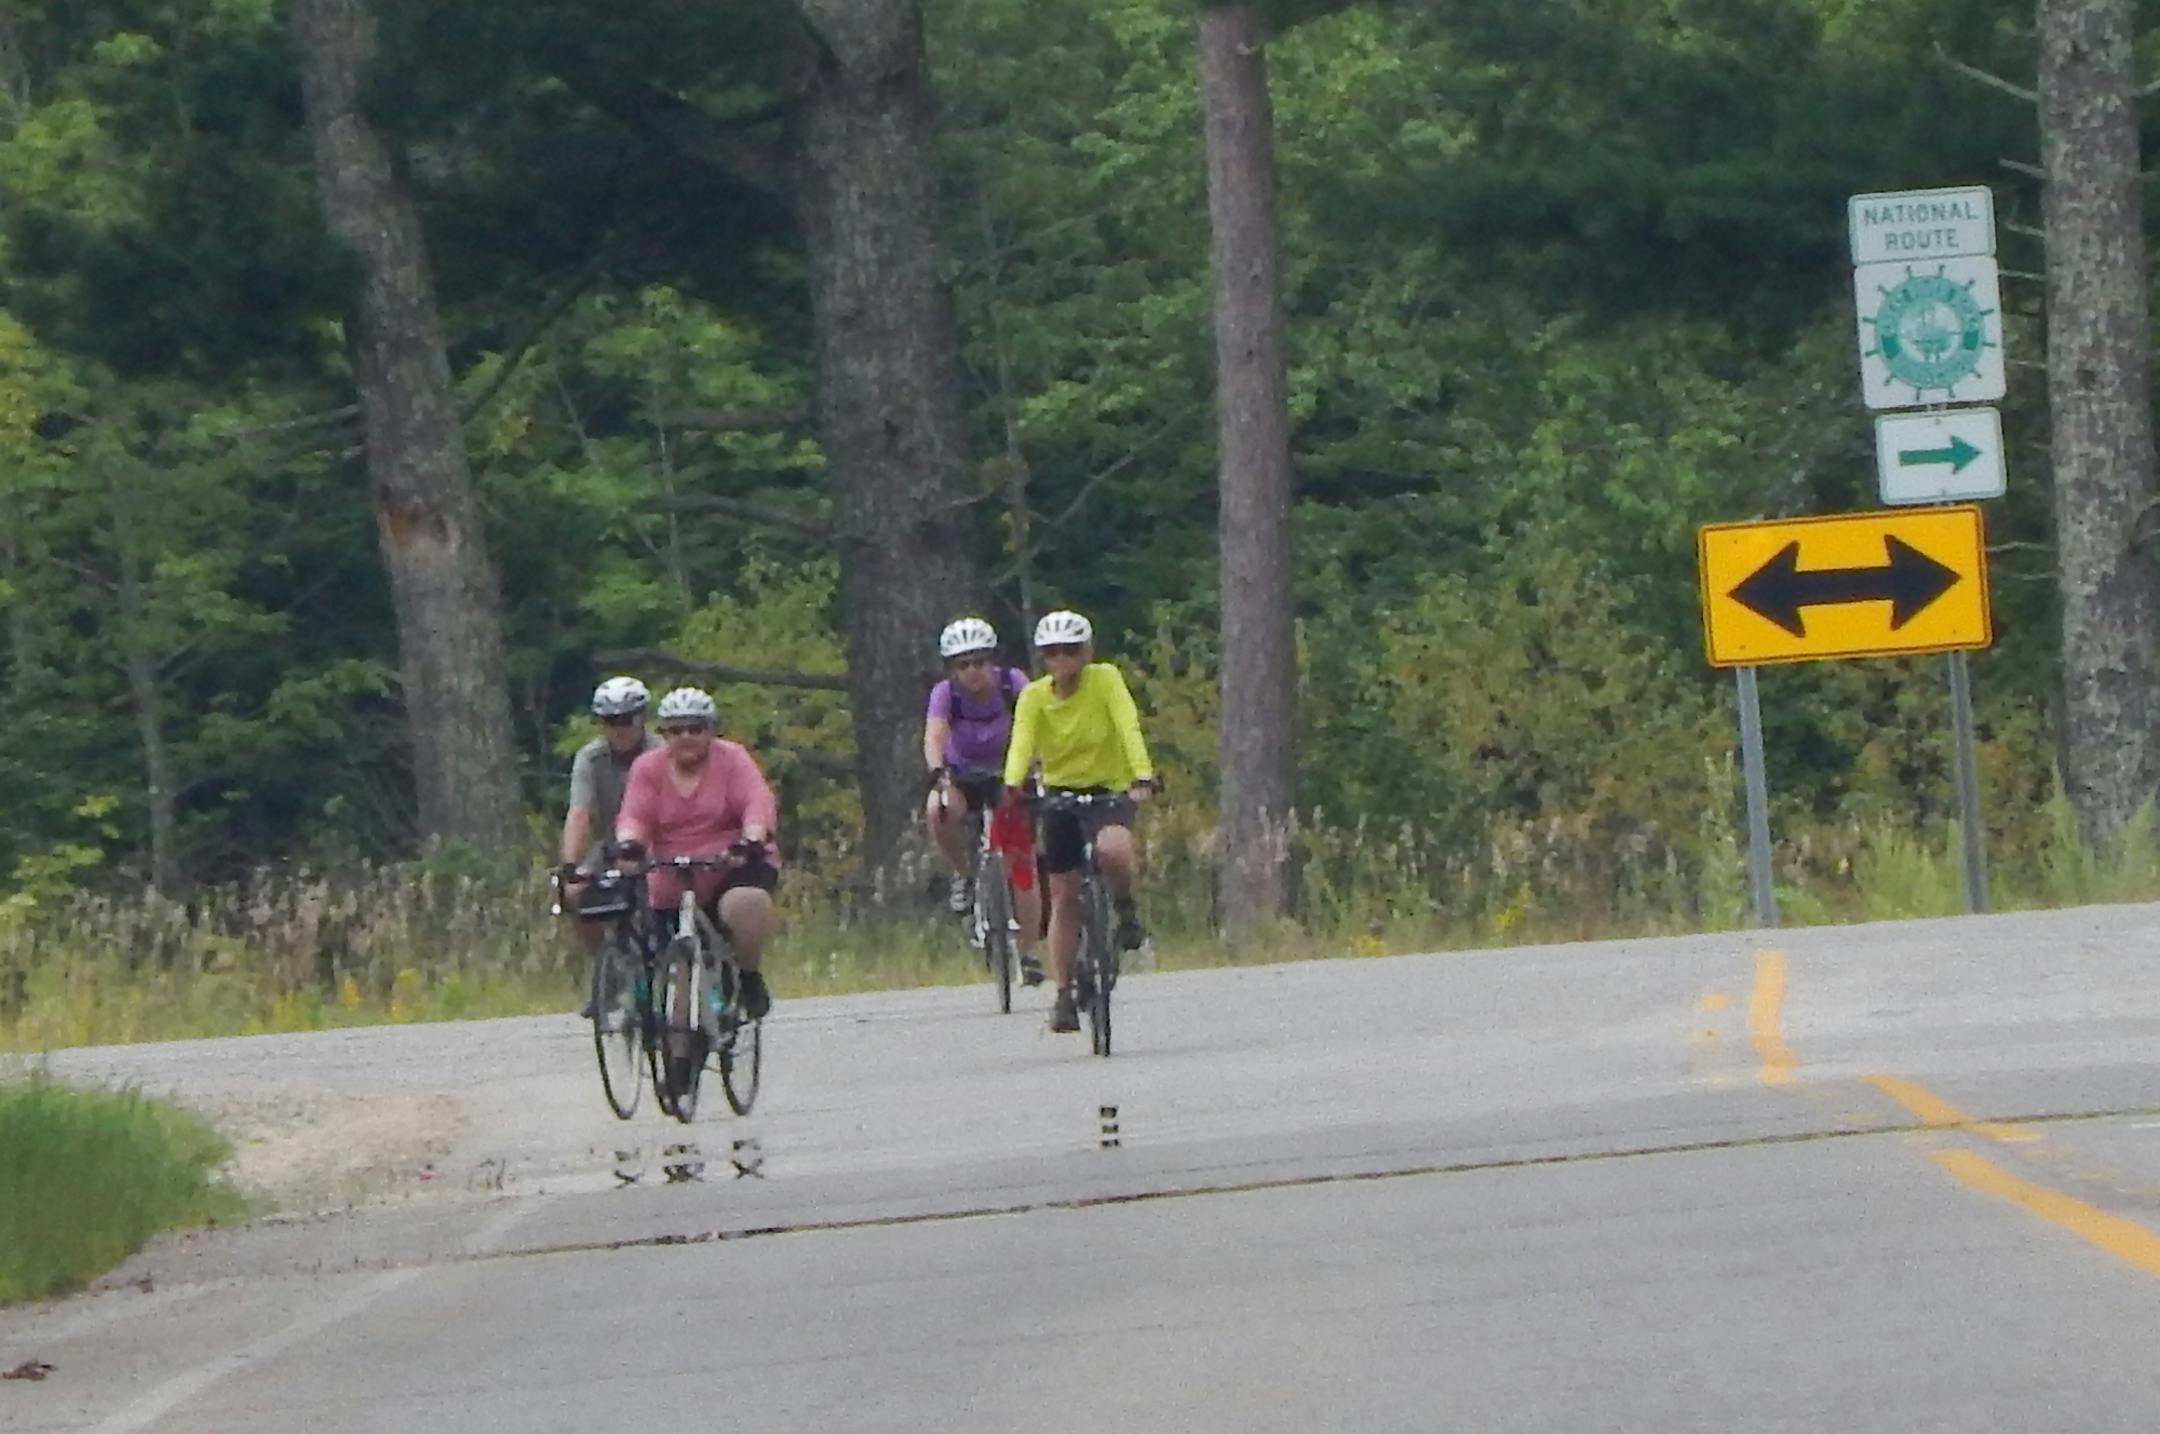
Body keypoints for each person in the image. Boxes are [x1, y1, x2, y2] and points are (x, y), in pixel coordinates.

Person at [1000, 610, 1158, 1034]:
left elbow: (1127, 725)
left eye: (1071, 651)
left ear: (1086, 652)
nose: (1062, 660)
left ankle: (1125, 910)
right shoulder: (1034, 697)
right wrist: (1013, 785)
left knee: (1114, 849)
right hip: (1059, 797)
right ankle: (1065, 992)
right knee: (1065, 894)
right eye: (1052, 653)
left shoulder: (1105, 679)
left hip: (1108, 790)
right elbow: (1021, 744)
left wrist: (1142, 774)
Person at [613, 686, 780, 1020]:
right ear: (663, 734)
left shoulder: (732, 759)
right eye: (676, 730)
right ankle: (679, 1059)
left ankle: (748, 977)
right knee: (675, 982)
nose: (686, 736)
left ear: (711, 729)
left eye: (696, 728)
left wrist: (751, 839)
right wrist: (630, 843)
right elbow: (634, 814)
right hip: (672, 874)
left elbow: (757, 801)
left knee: (746, 903)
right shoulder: (648, 768)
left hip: (731, 865)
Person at [923, 617, 1045, 985]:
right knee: (937, 809)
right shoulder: (945, 693)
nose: (973, 671)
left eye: (979, 662)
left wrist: (1040, 763)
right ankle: (963, 873)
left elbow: (1038, 722)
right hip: (963, 776)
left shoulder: (1013, 683)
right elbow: (934, 735)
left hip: (1010, 775)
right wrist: (937, 771)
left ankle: (1028, 951)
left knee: (1021, 862)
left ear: (993, 661)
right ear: (952, 669)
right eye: (963, 664)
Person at [559, 676, 661, 958]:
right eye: (610, 721)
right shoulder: (590, 758)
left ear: (642, 718)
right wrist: (570, 865)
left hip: (661, 843)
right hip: (611, 845)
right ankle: (605, 970)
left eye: (627, 719)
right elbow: (580, 812)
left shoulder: (662, 752)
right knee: (576, 895)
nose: (619, 728)